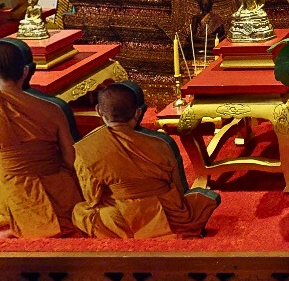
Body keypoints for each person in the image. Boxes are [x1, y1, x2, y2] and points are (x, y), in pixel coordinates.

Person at [0, 38, 82, 238]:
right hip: (57, 191)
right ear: (25, 71)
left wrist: (4, 158)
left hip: (11, 192)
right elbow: (70, 160)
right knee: (73, 209)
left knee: (1, 213)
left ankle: (13, 227)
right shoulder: (53, 109)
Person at [71, 83, 220, 238]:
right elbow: (178, 187)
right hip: (169, 214)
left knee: (80, 212)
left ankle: (127, 233)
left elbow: (92, 197)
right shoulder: (161, 144)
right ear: (137, 113)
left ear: (98, 111)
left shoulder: (88, 148)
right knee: (200, 202)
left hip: (122, 218)